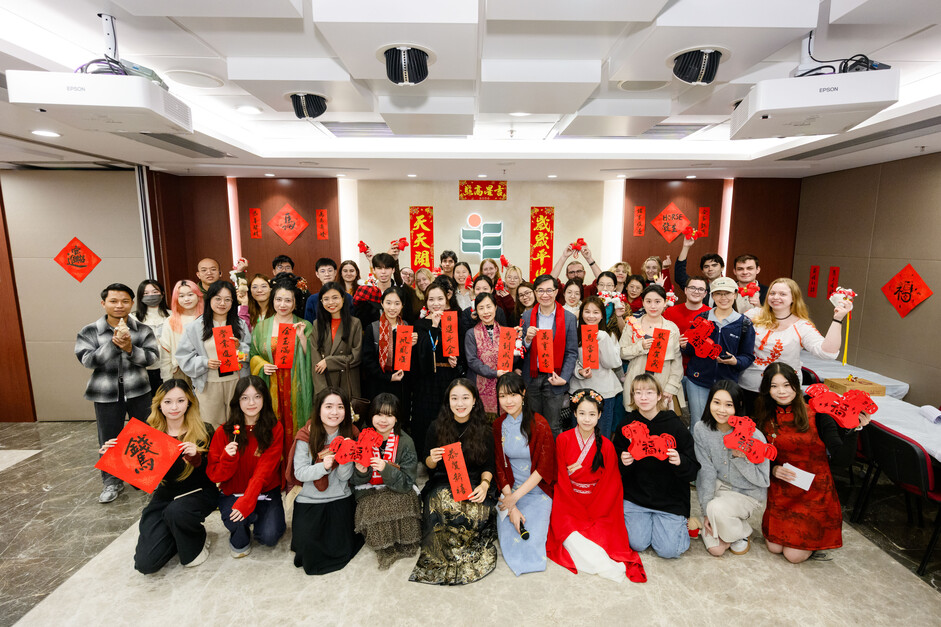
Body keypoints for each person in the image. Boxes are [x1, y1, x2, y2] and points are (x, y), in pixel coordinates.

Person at [754, 363, 868, 563]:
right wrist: (773, 469)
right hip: (783, 490)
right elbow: (760, 454)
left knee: (793, 556)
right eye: (774, 386)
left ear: (796, 386)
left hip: (813, 492)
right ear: (767, 389)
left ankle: (815, 541)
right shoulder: (764, 415)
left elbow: (842, 459)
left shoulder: (817, 413)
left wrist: (853, 429)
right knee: (774, 547)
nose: (781, 391)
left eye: (787, 385)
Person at [106, 380, 216, 572]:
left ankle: (196, 534)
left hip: (198, 493)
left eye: (180, 401)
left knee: (189, 555)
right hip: (166, 497)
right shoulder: (148, 434)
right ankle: (177, 531)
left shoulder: (204, 430)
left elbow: (213, 475)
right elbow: (141, 484)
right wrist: (119, 458)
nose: (174, 407)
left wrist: (197, 459)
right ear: (159, 404)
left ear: (189, 402)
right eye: (168, 402)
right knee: (145, 564)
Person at [547, 389, 647, 583]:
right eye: (582, 413)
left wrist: (592, 509)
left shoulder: (607, 446)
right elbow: (559, 476)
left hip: (597, 502)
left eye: (592, 414)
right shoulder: (563, 439)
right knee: (571, 537)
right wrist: (570, 484)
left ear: (600, 415)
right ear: (574, 413)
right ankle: (604, 565)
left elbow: (611, 484)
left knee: (600, 535)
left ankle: (603, 561)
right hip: (568, 501)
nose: (586, 419)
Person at [76, 283, 160, 503]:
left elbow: (152, 358)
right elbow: (87, 360)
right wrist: (114, 345)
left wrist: (131, 349)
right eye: (113, 301)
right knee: (109, 438)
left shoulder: (142, 330)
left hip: (139, 390)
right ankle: (111, 482)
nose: (119, 305)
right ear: (104, 303)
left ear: (132, 303)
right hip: (105, 392)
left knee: (143, 435)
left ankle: (142, 477)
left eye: (125, 301)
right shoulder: (90, 331)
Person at [410, 379, 496, 585]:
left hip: (475, 482)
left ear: (474, 400)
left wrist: (484, 486)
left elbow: (490, 466)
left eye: (465, 398)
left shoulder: (485, 430)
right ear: (447, 401)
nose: (460, 403)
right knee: (442, 504)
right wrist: (432, 458)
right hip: (444, 482)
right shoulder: (436, 427)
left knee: (475, 511)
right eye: (454, 398)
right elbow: (428, 465)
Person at [613, 374, 699, 559]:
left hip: (670, 498)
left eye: (649, 392)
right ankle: (650, 524)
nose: (643, 398)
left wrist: (680, 461)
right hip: (636, 497)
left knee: (668, 551)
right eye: (638, 393)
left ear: (660, 395)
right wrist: (623, 461)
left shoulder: (675, 425)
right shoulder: (627, 424)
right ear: (632, 396)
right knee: (637, 543)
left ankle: (679, 524)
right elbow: (614, 465)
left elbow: (693, 468)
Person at [739, 278, 852, 406]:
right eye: (772, 293)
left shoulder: (801, 325)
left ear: (793, 298)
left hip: (784, 393)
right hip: (749, 386)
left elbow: (827, 352)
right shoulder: (753, 315)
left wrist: (837, 319)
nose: (776, 297)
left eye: (782, 294)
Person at [207, 376, 285, 557]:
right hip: (234, 492)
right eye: (245, 397)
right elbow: (215, 476)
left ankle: (256, 516)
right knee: (238, 531)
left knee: (269, 536)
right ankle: (243, 527)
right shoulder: (224, 432)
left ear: (264, 399)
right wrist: (227, 458)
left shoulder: (275, 428)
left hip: (265, 492)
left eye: (257, 396)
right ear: (237, 401)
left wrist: (248, 502)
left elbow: (263, 472)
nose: (251, 403)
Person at [289, 387, 364, 575]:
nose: (334, 412)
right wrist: (323, 467)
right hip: (310, 500)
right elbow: (300, 473)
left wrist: (345, 460)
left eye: (340, 407)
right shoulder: (306, 435)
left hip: (340, 497)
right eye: (328, 406)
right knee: (309, 553)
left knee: (341, 548)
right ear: (318, 409)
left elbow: (345, 477)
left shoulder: (351, 433)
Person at [694, 381, 769, 556]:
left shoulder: (755, 436)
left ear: (739, 406)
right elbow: (706, 471)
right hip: (717, 490)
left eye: (729, 405)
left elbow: (763, 480)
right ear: (709, 402)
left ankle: (741, 532)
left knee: (717, 509)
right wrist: (706, 512)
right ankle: (731, 526)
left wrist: (740, 459)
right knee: (716, 550)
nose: (721, 410)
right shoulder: (701, 429)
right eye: (716, 402)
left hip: (746, 494)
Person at [492, 373, 555, 576]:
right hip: (509, 488)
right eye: (502, 396)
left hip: (536, 491)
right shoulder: (498, 425)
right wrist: (511, 506)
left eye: (513, 395)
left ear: (524, 394)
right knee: (510, 534)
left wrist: (514, 500)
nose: (508, 401)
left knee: (531, 539)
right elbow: (499, 467)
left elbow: (544, 469)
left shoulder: (540, 424)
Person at [249, 278, 314, 475]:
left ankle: (297, 471)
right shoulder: (261, 327)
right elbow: (253, 355)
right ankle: (274, 474)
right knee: (273, 425)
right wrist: (263, 365)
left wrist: (302, 337)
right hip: (271, 384)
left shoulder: (305, 325)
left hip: (297, 385)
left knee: (297, 425)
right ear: (273, 301)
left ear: (295, 303)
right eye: (279, 299)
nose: (283, 304)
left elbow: (311, 357)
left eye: (288, 300)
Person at [350, 393, 422, 569]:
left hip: (399, 486)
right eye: (379, 414)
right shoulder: (362, 438)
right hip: (369, 488)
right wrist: (361, 471)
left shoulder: (406, 442)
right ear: (371, 416)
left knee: (403, 502)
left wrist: (385, 468)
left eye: (389, 415)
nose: (383, 420)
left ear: (396, 419)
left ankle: (401, 538)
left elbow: (408, 480)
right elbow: (352, 479)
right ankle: (385, 542)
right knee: (372, 508)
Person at [682, 277, 756, 429]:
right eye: (719, 294)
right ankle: (697, 453)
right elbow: (690, 351)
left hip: (727, 383)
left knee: (724, 424)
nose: (723, 298)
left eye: (727, 293)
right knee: (698, 423)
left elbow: (748, 356)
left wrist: (735, 361)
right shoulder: (702, 318)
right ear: (712, 296)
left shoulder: (744, 324)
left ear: (735, 294)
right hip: (698, 381)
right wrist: (684, 345)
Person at [176, 280, 250, 428]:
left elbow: (250, 352)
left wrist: (239, 347)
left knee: (237, 424)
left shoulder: (240, 324)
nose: (222, 303)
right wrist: (204, 362)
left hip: (236, 382)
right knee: (211, 426)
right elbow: (183, 357)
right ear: (209, 299)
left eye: (227, 299)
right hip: (209, 384)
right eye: (218, 298)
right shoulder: (195, 327)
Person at [412, 280, 468, 457]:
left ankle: (450, 458)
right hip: (427, 378)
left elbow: (462, 352)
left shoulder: (454, 321)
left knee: (447, 418)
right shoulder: (420, 324)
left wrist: (456, 361)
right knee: (426, 418)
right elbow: (423, 352)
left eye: (440, 299)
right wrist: (434, 326)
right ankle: (426, 458)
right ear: (426, 302)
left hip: (447, 377)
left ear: (447, 299)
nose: (436, 304)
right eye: (431, 299)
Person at [520, 274, 578, 436]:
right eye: (540, 290)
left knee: (553, 425)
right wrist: (527, 339)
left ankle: (551, 461)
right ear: (535, 292)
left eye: (549, 290)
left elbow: (572, 352)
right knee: (532, 424)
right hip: (532, 378)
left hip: (555, 378)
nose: (545, 295)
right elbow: (520, 351)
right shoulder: (526, 316)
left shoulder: (569, 318)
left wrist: (564, 377)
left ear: (556, 291)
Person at [619, 285, 684, 413]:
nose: (653, 306)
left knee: (659, 424)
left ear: (665, 303)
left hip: (662, 383)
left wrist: (671, 387)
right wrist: (640, 347)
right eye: (648, 301)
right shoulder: (633, 325)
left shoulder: (671, 328)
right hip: (636, 383)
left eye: (657, 301)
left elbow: (676, 362)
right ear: (643, 303)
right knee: (636, 422)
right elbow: (621, 352)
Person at [362, 286, 417, 428]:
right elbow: (367, 361)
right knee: (378, 422)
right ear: (382, 303)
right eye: (388, 302)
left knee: (398, 422)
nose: (392, 307)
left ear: (402, 306)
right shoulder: (373, 328)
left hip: (401, 386)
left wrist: (413, 346)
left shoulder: (406, 328)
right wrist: (388, 377)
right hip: (377, 385)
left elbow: (412, 363)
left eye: (397, 303)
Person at [569, 297, 623, 437]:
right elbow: (569, 359)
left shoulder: (609, 335)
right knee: (579, 435)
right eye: (587, 312)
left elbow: (614, 363)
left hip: (605, 391)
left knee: (602, 435)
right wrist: (579, 371)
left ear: (602, 315)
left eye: (596, 312)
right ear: (581, 314)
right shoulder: (574, 334)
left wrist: (603, 339)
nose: (591, 316)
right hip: (579, 389)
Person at [311, 281, 363, 405]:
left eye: (335, 298)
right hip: (325, 381)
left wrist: (329, 361)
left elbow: (356, 357)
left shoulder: (355, 323)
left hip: (348, 382)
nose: (331, 302)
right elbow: (315, 360)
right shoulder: (317, 324)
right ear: (321, 302)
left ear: (343, 299)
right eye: (326, 299)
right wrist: (322, 391)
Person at [465, 293, 511, 420]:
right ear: (476, 311)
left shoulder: (506, 332)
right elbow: (472, 361)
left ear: (495, 308)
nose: (486, 312)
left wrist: (519, 343)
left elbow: (512, 358)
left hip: (503, 385)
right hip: (478, 384)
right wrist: (494, 373)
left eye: (489, 307)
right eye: (481, 308)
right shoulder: (471, 333)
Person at [159, 280, 203, 382]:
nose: (186, 299)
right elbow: (166, 354)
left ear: (198, 296)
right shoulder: (170, 321)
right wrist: (167, 380)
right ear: (176, 299)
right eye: (181, 296)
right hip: (180, 371)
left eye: (190, 295)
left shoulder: (207, 319)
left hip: (206, 369)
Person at [132, 279, 170, 396]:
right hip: (144, 370)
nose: (151, 296)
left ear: (162, 294)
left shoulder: (172, 315)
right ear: (140, 296)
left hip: (168, 368)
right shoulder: (133, 318)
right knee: (147, 407)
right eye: (146, 293)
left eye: (155, 292)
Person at [673, 234, 725, 306]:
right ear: (703, 271)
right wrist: (686, 247)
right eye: (706, 266)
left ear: (722, 267)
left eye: (714, 265)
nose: (710, 269)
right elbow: (680, 276)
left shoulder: (730, 285)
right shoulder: (699, 286)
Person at [353, 252, 396, 327]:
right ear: (373, 270)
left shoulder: (399, 292)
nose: (383, 272)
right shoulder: (366, 291)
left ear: (393, 270)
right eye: (379, 268)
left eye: (387, 268)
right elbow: (359, 320)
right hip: (371, 334)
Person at [304, 258, 353, 322]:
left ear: (335, 272)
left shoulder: (347, 297)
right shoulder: (312, 299)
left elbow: (353, 323)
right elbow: (309, 325)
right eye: (322, 271)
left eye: (330, 270)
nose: (327, 274)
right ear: (317, 274)